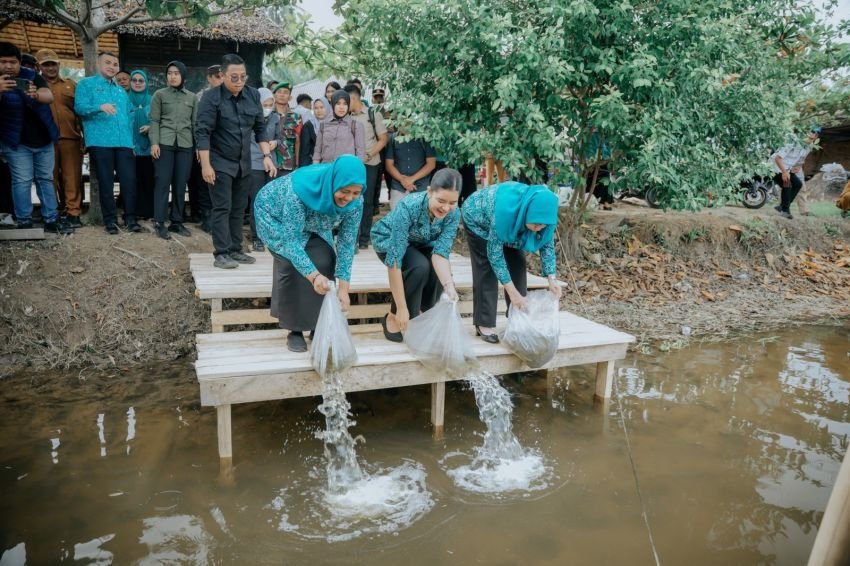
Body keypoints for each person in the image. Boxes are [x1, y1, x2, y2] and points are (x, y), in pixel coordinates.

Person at [254, 155, 366, 352]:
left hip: (316, 218)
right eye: (344, 191)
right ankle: (294, 329)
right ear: (333, 183)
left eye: (356, 192)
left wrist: (343, 289)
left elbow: (347, 243)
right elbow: (291, 241)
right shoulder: (297, 194)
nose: (349, 198)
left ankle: (317, 325)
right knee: (292, 263)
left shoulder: (355, 203)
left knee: (326, 259)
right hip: (275, 215)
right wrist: (313, 276)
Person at [195, 53, 277, 269]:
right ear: (222, 75)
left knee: (239, 208)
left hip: (244, 162)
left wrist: (267, 156)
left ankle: (235, 249)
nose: (240, 81)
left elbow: (260, 128)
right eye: (234, 77)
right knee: (222, 207)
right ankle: (221, 253)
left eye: (243, 76)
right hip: (219, 161)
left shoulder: (252, 95)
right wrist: (206, 165)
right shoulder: (211, 98)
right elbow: (202, 132)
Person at [461, 182, 562, 343]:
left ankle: (517, 316)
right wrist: (512, 292)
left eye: (542, 225)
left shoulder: (546, 218)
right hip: (478, 219)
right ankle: (483, 323)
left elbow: (547, 246)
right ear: (527, 212)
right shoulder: (504, 214)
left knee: (518, 262)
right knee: (486, 266)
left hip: (514, 224)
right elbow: (495, 255)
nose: (538, 228)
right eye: (536, 223)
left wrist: (552, 278)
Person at [371, 168, 462, 341]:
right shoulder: (409, 206)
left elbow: (441, 254)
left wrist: (449, 285)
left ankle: (422, 314)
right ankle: (393, 316)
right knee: (419, 266)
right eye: (441, 201)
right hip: (388, 240)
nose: (446, 208)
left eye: (452, 202)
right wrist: (401, 308)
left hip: (422, 242)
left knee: (436, 270)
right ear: (429, 192)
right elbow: (395, 260)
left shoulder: (454, 213)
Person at [0, 41, 72, 233]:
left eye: (13, 62)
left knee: (45, 179)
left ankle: (51, 219)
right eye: (3, 62)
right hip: (16, 142)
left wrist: (36, 94)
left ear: (19, 62)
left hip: (43, 138)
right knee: (22, 181)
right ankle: (24, 220)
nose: (8, 66)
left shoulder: (31, 75)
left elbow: (49, 96)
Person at [76, 52, 140, 234]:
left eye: (115, 64)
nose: (112, 66)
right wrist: (99, 107)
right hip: (100, 141)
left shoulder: (121, 90)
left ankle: (130, 218)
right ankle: (110, 221)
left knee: (129, 181)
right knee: (106, 182)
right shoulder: (86, 84)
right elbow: (79, 108)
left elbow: (129, 116)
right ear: (98, 64)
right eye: (108, 63)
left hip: (124, 143)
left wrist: (132, 143)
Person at [149, 60, 196, 240]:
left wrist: (199, 147)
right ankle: (159, 222)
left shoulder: (192, 98)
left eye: (176, 73)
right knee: (162, 182)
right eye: (169, 73)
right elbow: (155, 121)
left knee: (180, 183)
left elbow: (195, 124)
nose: (173, 76)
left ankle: (177, 222)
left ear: (183, 75)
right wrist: (154, 143)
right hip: (164, 143)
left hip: (185, 145)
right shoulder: (159, 95)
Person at [37, 48, 84, 227]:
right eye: (46, 65)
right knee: (49, 178)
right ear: (39, 67)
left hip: (70, 138)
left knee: (72, 178)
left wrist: (84, 137)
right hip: (45, 141)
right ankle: (53, 212)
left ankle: (73, 213)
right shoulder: (36, 86)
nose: (50, 68)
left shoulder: (71, 85)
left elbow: (80, 113)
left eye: (53, 64)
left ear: (59, 64)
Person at [346, 83, 387, 249]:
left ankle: (364, 239)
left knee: (367, 201)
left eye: (346, 100)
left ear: (353, 98)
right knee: (351, 199)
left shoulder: (373, 114)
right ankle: (352, 237)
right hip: (352, 165)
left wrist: (368, 155)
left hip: (370, 163)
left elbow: (383, 139)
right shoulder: (346, 117)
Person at [189, 64, 223, 229]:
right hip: (204, 145)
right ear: (209, 78)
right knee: (204, 181)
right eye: (217, 76)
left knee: (221, 181)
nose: (220, 80)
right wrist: (198, 145)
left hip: (223, 146)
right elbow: (196, 123)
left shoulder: (230, 95)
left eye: (222, 76)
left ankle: (219, 217)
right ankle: (206, 216)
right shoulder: (200, 97)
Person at [248, 87, 281, 251]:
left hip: (271, 163)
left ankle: (271, 236)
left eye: (270, 104)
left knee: (271, 202)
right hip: (254, 162)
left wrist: (276, 142)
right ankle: (256, 237)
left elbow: (279, 137)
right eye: (264, 105)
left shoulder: (275, 117)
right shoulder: (250, 117)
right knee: (257, 201)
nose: (267, 108)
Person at [771, 129, 819, 220]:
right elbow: (778, 158)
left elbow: (802, 159)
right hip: (775, 168)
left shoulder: (807, 147)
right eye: (810, 135)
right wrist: (784, 172)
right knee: (787, 184)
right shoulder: (792, 143)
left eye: (814, 137)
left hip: (787, 169)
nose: (812, 138)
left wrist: (798, 166)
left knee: (798, 184)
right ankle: (785, 211)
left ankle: (782, 206)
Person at [384, 130, 436, 210]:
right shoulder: (393, 138)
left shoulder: (425, 138)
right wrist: (402, 180)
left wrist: (411, 179)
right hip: (398, 187)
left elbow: (431, 164)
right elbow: (389, 165)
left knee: (419, 216)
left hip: (421, 187)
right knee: (397, 215)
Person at [312, 89, 365, 165]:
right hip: (326, 168)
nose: (341, 107)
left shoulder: (356, 125)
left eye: (345, 104)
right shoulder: (323, 124)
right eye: (338, 103)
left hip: (346, 169)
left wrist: (356, 170)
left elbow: (361, 154)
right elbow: (317, 151)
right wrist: (316, 168)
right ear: (333, 104)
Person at [128, 70, 154, 220]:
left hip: (151, 148)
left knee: (149, 179)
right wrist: (129, 145)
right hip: (131, 147)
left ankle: (150, 212)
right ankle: (135, 212)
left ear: (146, 83)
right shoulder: (125, 100)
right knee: (133, 181)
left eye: (141, 80)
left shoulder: (153, 100)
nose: (137, 83)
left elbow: (160, 120)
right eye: (134, 80)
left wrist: (151, 127)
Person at [272, 82, 301, 175]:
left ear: (290, 97)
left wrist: (297, 164)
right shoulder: (267, 115)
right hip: (270, 164)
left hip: (288, 165)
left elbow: (298, 142)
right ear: (274, 95)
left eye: (285, 92)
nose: (282, 95)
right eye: (279, 92)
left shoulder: (296, 117)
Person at [298, 98, 326, 168]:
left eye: (322, 107)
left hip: (331, 163)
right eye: (316, 108)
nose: (319, 110)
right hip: (313, 165)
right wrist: (304, 169)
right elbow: (304, 151)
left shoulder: (334, 124)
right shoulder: (309, 125)